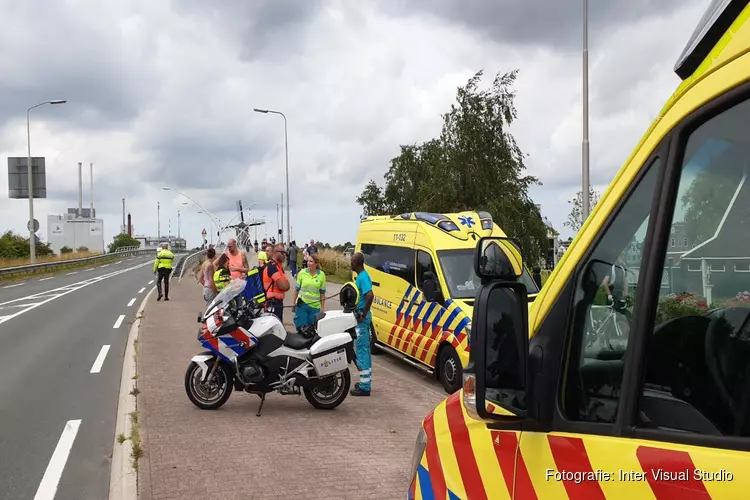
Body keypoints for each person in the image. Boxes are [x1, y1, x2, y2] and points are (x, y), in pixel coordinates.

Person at [350, 252, 374, 396]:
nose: (350, 263)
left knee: (361, 350)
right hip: (361, 318)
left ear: (357, 263)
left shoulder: (363, 277)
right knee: (364, 349)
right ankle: (366, 381)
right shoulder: (361, 276)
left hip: (362, 319)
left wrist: (363, 313)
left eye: (352, 261)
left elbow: (370, 295)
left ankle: (365, 387)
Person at [292, 254, 326, 329]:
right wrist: (293, 303)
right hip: (302, 305)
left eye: (311, 261)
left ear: (316, 263)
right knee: (301, 329)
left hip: (315, 307)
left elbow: (322, 293)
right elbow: (296, 289)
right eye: (308, 261)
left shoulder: (322, 275)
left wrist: (322, 308)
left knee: (312, 330)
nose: (308, 263)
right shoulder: (302, 273)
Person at [262, 244, 291, 321]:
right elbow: (284, 286)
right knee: (273, 329)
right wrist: (285, 284)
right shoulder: (271, 267)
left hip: (278, 303)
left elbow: (287, 286)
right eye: (282, 253)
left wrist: (285, 284)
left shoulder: (279, 267)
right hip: (272, 303)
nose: (284, 255)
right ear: (275, 252)